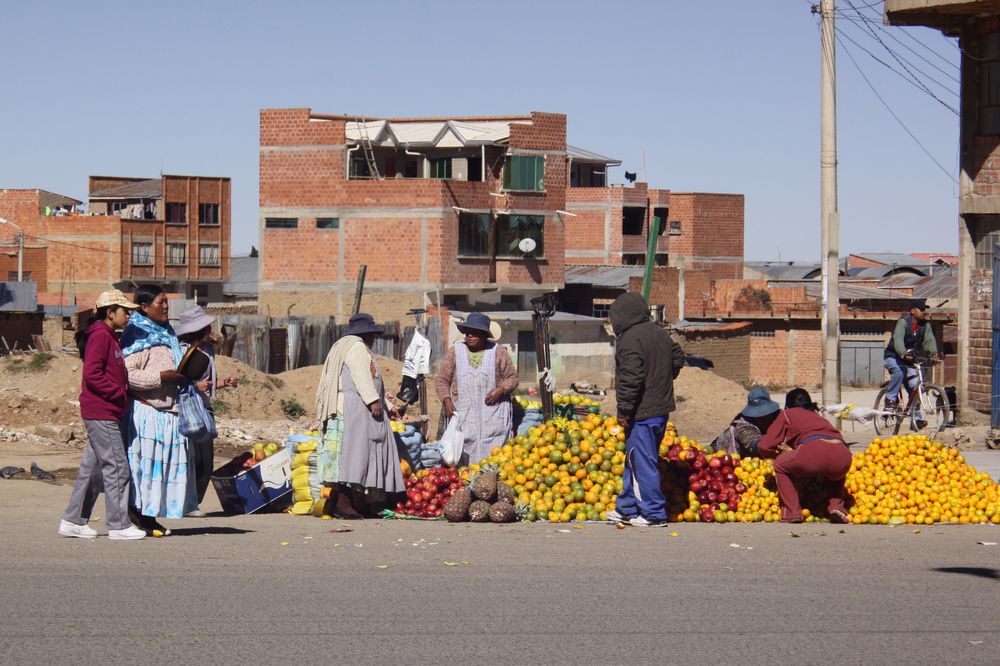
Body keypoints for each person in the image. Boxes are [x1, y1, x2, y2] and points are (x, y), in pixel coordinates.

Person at [58, 290, 146, 540]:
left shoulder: (108, 336)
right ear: (110, 313)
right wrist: (119, 393)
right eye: (124, 311)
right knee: (117, 467)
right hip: (102, 411)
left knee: (92, 470)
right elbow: (92, 375)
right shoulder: (100, 336)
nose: (129, 315)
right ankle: (119, 525)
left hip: (106, 411)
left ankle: (73, 520)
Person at [604, 293, 686, 527]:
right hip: (659, 409)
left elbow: (632, 377)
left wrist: (624, 410)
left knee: (643, 462)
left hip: (643, 412)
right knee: (635, 460)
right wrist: (664, 377)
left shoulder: (630, 339)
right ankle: (628, 507)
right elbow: (678, 356)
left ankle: (652, 513)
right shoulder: (658, 332)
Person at [315, 313, 405, 519]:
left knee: (349, 456)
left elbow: (372, 381)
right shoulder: (356, 348)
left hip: (351, 405)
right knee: (353, 456)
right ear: (365, 333)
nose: (374, 338)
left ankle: (350, 502)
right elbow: (362, 377)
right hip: (353, 408)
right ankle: (344, 504)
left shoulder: (348, 346)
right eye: (372, 334)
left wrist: (387, 404)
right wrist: (374, 401)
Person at [121, 285, 194, 534]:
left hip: (169, 414)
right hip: (147, 414)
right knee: (143, 471)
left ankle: (149, 517)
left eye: (167, 302)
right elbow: (127, 375)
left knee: (158, 472)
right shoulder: (137, 335)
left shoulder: (167, 332)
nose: (165, 307)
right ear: (144, 307)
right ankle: (136, 514)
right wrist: (160, 377)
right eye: (160, 302)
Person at [175, 305, 238, 518]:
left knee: (206, 459)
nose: (210, 328)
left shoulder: (208, 351)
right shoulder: (181, 349)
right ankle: (186, 503)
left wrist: (223, 383)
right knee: (192, 458)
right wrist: (194, 386)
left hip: (204, 408)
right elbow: (179, 380)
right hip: (186, 408)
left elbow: (207, 384)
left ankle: (194, 502)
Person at [757, 388, 853, 524]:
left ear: (788, 405)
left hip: (814, 451)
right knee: (834, 469)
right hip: (843, 454)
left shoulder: (787, 414)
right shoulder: (817, 416)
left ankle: (792, 513)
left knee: (780, 465)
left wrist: (773, 455)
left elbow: (764, 445)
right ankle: (837, 507)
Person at [435, 312, 518, 465]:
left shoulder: (498, 351)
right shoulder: (455, 351)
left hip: (492, 419)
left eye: (475, 332)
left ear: (484, 335)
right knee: (464, 464)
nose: (469, 335)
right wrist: (446, 400)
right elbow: (442, 380)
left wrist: (500, 389)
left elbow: (512, 378)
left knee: (494, 463)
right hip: (464, 417)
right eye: (467, 332)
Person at [883, 302, 938, 411]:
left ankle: (917, 420)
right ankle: (889, 399)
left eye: (924, 310)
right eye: (921, 309)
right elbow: (898, 339)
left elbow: (929, 340)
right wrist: (903, 353)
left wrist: (933, 354)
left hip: (909, 360)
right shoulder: (903, 322)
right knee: (899, 372)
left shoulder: (925, 325)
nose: (923, 312)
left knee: (915, 387)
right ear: (912, 311)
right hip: (893, 356)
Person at [711, 387, 781, 458]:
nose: (764, 418)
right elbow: (756, 446)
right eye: (760, 415)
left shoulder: (774, 415)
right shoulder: (743, 427)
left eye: (766, 414)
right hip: (719, 455)